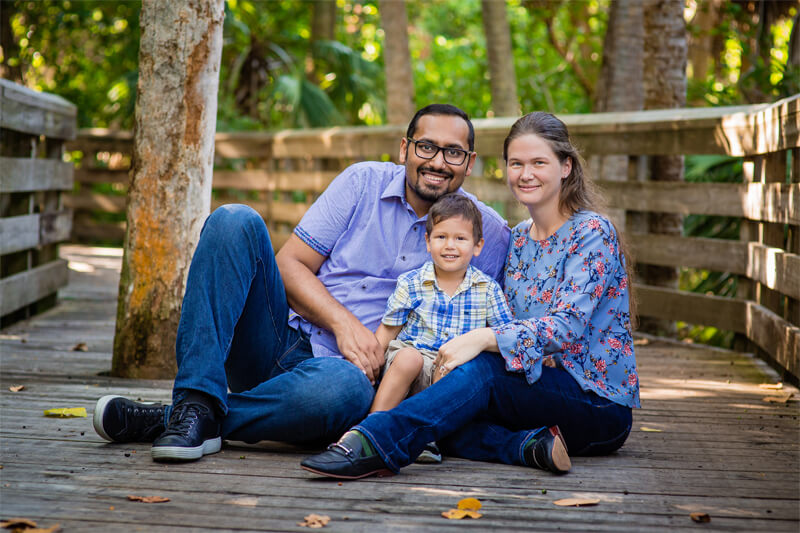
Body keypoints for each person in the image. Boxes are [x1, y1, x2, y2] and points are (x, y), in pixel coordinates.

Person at [91, 104, 511, 462]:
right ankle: (195, 398)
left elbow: (507, 314)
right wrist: (344, 325)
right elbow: (290, 264)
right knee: (234, 220)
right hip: (282, 341)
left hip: (353, 384)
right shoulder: (360, 182)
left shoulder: (487, 233)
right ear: (405, 149)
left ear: (470, 163)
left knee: (341, 390)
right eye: (426, 146)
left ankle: (185, 417)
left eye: (453, 152)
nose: (438, 162)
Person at [300, 111, 640, 480]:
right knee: (444, 402)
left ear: (565, 167)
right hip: (532, 385)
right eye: (516, 163)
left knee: (480, 374)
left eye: (539, 163)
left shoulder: (592, 231)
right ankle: (528, 447)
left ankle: (372, 440)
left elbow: (567, 326)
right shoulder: (519, 239)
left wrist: (483, 338)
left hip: (594, 400)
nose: (526, 174)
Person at [371, 193, 513, 462]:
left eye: (460, 238)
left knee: (451, 366)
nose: (450, 245)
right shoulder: (411, 283)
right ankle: (370, 429)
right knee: (409, 358)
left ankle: (427, 439)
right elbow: (387, 331)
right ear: (427, 242)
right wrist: (369, 366)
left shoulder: (487, 289)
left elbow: (504, 335)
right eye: (441, 237)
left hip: (450, 371)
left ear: (477, 246)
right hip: (410, 364)